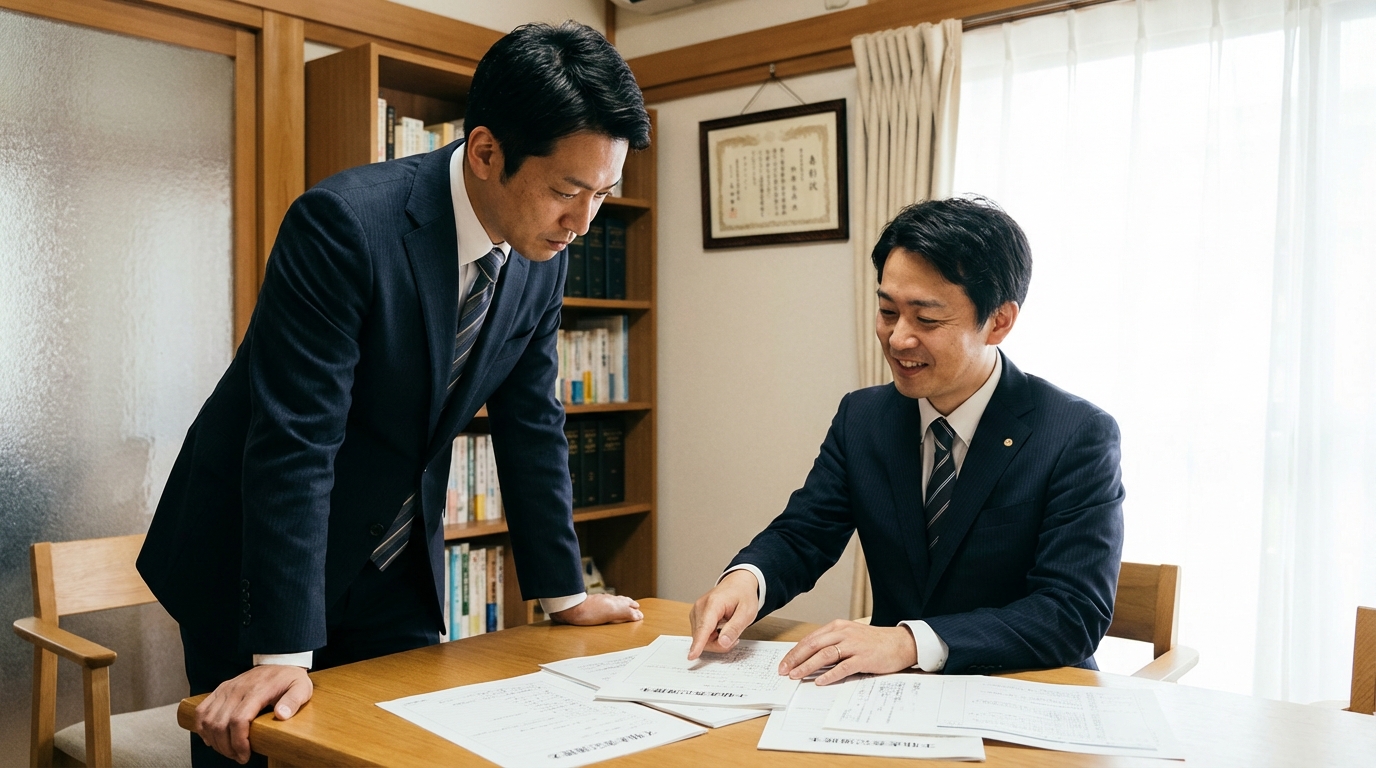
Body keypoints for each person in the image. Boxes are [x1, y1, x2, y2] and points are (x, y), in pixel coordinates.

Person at [137, 22, 650, 766]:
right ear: (485, 151)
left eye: (603, 194)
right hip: (257, 556)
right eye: (568, 191)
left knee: (405, 750)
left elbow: (532, 419)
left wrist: (563, 592)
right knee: (259, 750)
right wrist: (282, 648)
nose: (582, 222)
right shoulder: (345, 225)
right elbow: (295, 440)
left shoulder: (542, 251)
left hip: (392, 562)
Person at [688, 196, 1125, 684]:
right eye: (887, 311)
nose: (897, 339)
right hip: (888, 694)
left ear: (999, 321)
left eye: (927, 319)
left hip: (1023, 692)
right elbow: (804, 533)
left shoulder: (1075, 434)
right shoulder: (864, 416)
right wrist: (747, 579)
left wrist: (908, 641)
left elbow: (1072, 613)